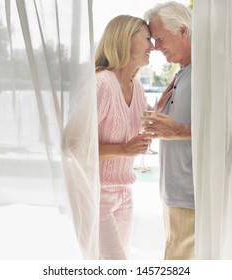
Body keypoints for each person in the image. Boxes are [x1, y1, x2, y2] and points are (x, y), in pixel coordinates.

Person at [95, 15, 154, 259]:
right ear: (127, 39)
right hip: (99, 198)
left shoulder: (137, 87)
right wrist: (123, 150)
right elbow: (74, 146)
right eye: (148, 39)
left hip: (125, 195)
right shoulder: (102, 84)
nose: (153, 46)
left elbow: (140, 130)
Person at [143, 2, 194, 260]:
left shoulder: (211, 72)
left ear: (183, 31)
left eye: (159, 38)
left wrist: (178, 131)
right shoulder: (183, 73)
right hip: (175, 194)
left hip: (191, 197)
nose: (154, 47)